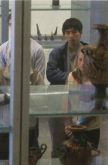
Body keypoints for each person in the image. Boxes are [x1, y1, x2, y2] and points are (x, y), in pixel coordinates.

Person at [0, 13, 46, 165]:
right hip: (5, 114)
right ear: (8, 25)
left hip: (29, 113)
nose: (15, 28)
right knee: (4, 155)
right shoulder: (2, 49)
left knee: (29, 153)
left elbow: (39, 87)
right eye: (11, 24)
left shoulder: (37, 50)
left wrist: (33, 78)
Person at [46, 17, 87, 157]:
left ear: (80, 33)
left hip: (83, 102)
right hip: (59, 103)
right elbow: (50, 74)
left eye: (74, 32)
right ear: (64, 34)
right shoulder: (57, 52)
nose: (71, 35)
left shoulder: (88, 51)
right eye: (67, 32)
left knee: (82, 143)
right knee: (58, 144)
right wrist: (72, 77)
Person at [65, 50, 100, 149]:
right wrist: (67, 123)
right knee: (73, 158)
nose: (83, 63)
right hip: (73, 126)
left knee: (91, 159)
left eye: (86, 60)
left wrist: (80, 124)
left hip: (91, 127)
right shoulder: (71, 76)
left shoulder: (97, 78)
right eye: (80, 60)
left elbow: (98, 106)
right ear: (76, 61)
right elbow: (67, 100)